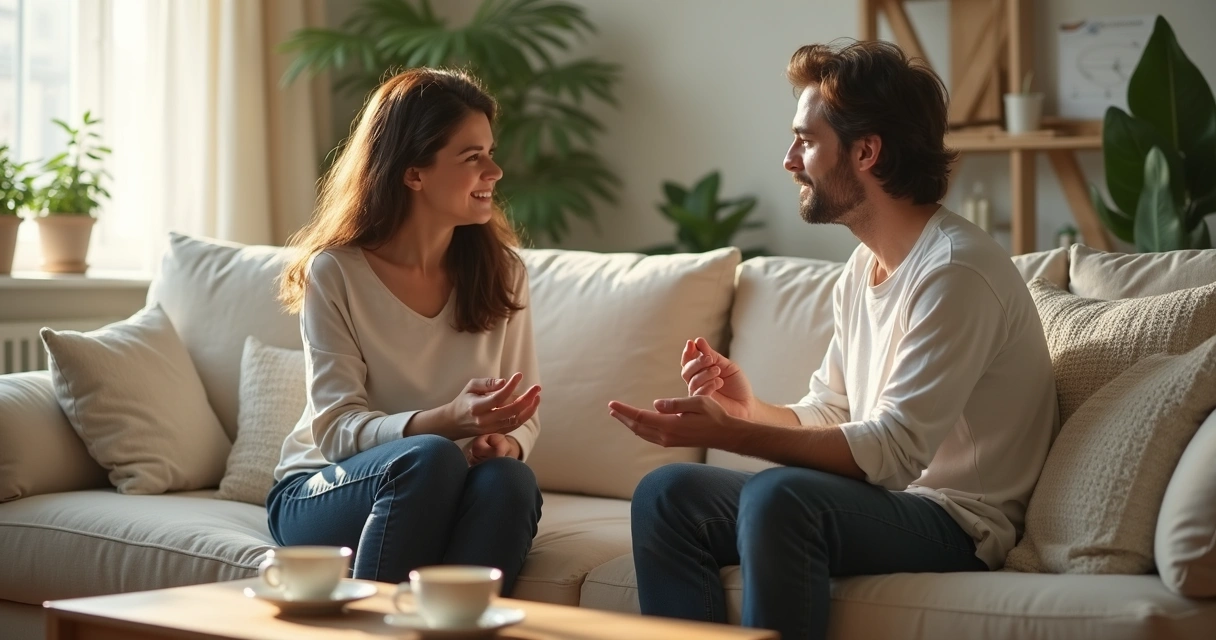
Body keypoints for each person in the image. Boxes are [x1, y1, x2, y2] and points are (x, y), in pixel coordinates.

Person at [608, 40, 1058, 639]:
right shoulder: (864, 265)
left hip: (957, 522)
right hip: (886, 502)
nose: (789, 160)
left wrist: (731, 434)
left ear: (866, 151)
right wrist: (748, 409)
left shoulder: (955, 271)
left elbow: (894, 453)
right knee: (667, 493)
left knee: (780, 498)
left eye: (806, 140)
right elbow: (833, 411)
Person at [267, 68, 543, 596]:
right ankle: (381, 629)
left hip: (446, 482)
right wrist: (448, 421)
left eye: (490, 152)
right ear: (414, 173)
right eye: (473, 157)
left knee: (509, 480)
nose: (495, 170)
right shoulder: (337, 271)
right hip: (323, 490)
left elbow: (524, 409)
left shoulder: (504, 273)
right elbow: (336, 430)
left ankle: (458, 627)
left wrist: (504, 443)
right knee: (431, 455)